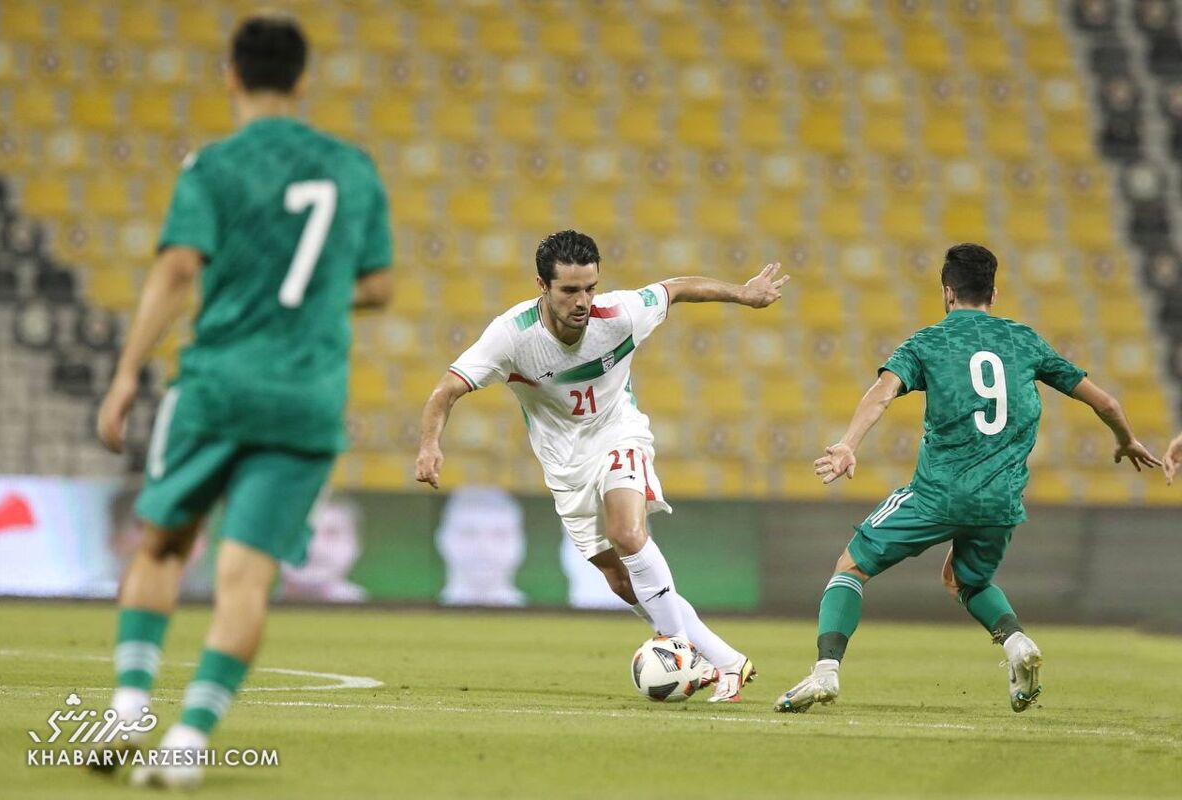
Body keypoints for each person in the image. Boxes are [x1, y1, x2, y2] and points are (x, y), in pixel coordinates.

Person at [93, 14, 393, 787]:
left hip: (217, 387)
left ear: (230, 75)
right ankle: (188, 740)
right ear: (302, 81)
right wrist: (315, 300)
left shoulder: (212, 167)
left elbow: (175, 271)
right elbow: (380, 285)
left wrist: (128, 372)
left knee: (161, 542)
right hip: (304, 399)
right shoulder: (354, 169)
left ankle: (129, 702)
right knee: (246, 578)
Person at [776, 243, 1161, 714]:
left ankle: (825, 672)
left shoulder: (927, 342)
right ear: (994, 294)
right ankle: (1017, 644)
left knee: (851, 567)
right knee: (966, 581)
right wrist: (1124, 440)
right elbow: (1107, 404)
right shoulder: (1025, 340)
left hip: (937, 494)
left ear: (947, 292)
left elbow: (882, 393)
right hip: (1000, 501)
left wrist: (848, 445)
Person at [415, 230, 787, 702]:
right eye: (570, 290)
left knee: (628, 534)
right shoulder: (512, 336)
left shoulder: (620, 313)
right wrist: (430, 445)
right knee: (619, 578)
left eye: (590, 287)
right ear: (541, 286)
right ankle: (728, 661)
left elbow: (676, 288)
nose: (583, 300)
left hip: (618, 434)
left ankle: (683, 652)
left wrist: (744, 294)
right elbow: (446, 390)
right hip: (565, 466)